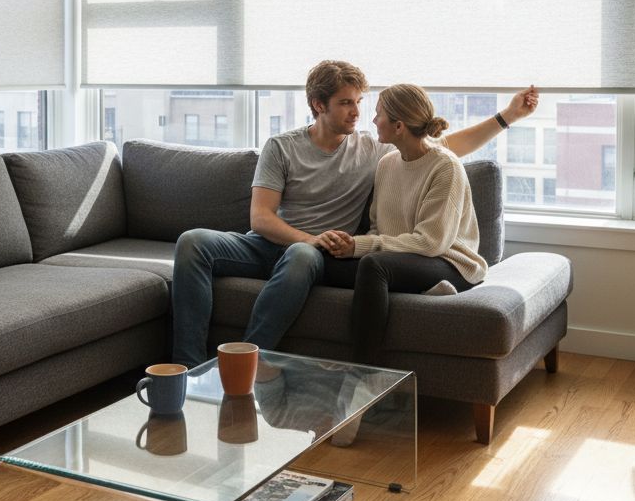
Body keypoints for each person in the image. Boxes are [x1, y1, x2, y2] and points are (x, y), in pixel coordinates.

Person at [171, 60, 537, 366]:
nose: (357, 112)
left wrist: (507, 116)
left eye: (360, 102)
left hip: (311, 256)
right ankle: (186, 368)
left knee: (301, 255)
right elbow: (261, 219)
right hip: (270, 245)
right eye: (346, 103)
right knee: (192, 242)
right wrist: (311, 237)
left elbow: (440, 146)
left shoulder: (373, 151)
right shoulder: (281, 147)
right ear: (318, 104)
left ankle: (245, 361)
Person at [321, 83, 486, 365]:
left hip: (448, 260)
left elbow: (431, 241)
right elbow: (377, 228)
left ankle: (363, 377)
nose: (372, 120)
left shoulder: (445, 167)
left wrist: (362, 246)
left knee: (374, 265)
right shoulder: (386, 164)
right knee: (320, 260)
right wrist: (346, 245)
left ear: (398, 126)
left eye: (378, 114)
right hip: (400, 259)